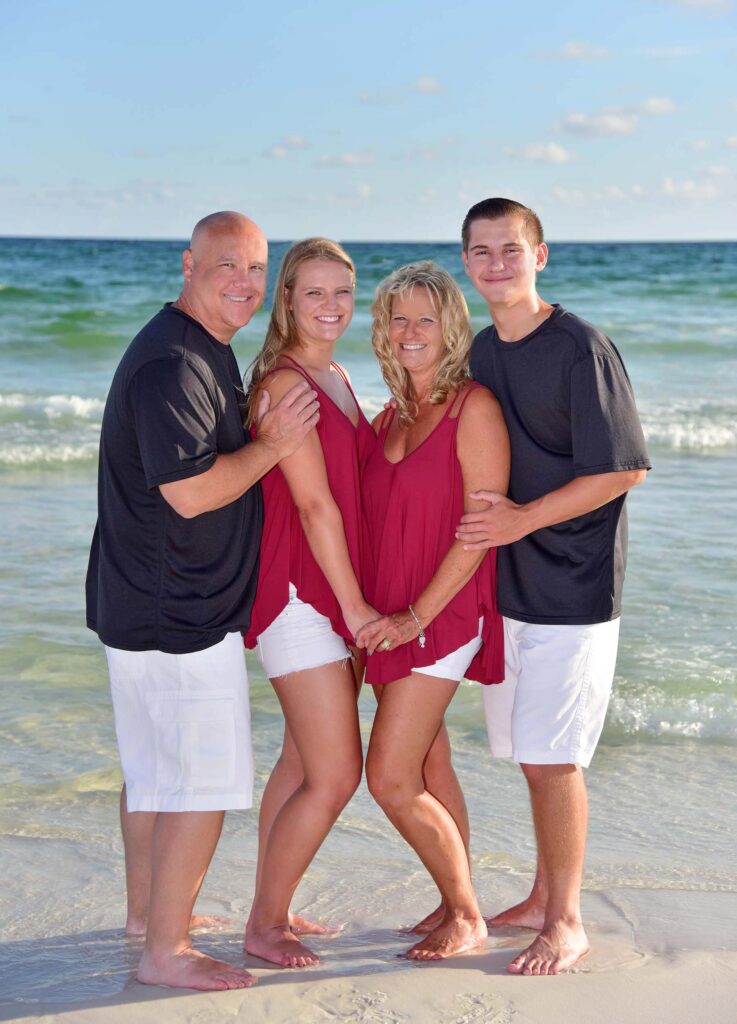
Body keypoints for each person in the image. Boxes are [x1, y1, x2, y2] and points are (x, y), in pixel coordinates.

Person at [85, 211, 320, 991]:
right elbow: (190, 494)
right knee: (201, 779)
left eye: (257, 270)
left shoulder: (199, 350)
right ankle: (167, 950)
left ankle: (145, 917)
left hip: (147, 603)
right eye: (229, 267)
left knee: (155, 772)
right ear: (189, 264)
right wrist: (275, 447)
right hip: (175, 611)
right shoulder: (174, 366)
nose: (246, 285)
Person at [456, 197, 651, 976]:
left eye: (510, 248)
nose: (495, 263)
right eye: (480, 251)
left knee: (554, 759)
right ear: (465, 262)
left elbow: (622, 469)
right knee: (526, 751)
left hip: (574, 586)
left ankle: (564, 919)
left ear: (540, 256)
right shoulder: (480, 350)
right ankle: (540, 896)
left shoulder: (580, 347)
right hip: (510, 583)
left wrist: (522, 519)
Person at [357, 262, 510, 960]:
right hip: (389, 614)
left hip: (438, 612)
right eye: (397, 318)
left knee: (389, 776)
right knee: (429, 761)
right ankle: (452, 899)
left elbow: (478, 532)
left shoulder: (470, 406)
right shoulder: (393, 412)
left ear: (450, 327)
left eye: (424, 318)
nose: (409, 331)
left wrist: (416, 616)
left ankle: (468, 915)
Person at [242, 238, 378, 969]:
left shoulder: (338, 374)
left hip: (337, 590)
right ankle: (262, 926)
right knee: (334, 773)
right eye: (314, 293)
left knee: (297, 762)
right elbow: (316, 507)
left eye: (342, 294)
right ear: (287, 299)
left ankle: (275, 901)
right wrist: (355, 607)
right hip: (302, 595)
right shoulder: (285, 383)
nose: (330, 308)